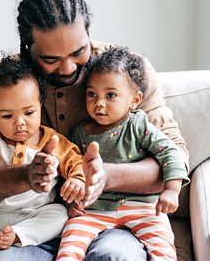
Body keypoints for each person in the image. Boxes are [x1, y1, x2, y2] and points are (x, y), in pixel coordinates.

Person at [0, 0, 189, 260]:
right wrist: (26, 176)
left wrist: (104, 176)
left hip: (106, 217)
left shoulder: (125, 73)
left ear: (87, 33)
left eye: (79, 52)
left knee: (116, 257)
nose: (67, 68)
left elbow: (175, 156)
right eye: (50, 59)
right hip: (18, 225)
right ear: (27, 48)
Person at [56, 47, 190, 261]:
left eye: (110, 95)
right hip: (94, 209)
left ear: (134, 100)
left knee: (163, 248)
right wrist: (74, 201)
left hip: (143, 206)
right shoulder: (79, 133)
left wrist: (171, 191)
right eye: (92, 94)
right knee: (70, 243)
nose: (99, 103)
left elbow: (170, 152)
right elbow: (71, 169)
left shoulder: (138, 124)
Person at [0, 56, 86, 258]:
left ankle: (18, 236)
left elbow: (75, 161)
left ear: (40, 105)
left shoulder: (54, 140)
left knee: (59, 214)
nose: (19, 123)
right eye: (7, 116)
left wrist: (77, 180)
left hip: (37, 212)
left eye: (29, 112)